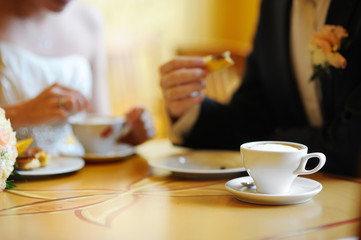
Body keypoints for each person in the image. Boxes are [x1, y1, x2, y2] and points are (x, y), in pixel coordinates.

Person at [159, 0, 361, 177]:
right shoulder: (274, 5)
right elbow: (251, 118)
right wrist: (189, 109)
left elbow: (353, 142)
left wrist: (268, 144)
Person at [0, 0, 154, 155]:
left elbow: (99, 122)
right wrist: (22, 113)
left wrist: (129, 137)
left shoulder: (91, 21)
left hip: (80, 175)